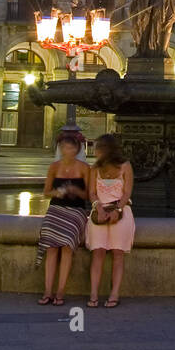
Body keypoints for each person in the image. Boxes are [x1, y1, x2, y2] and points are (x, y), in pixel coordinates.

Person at [36, 128, 90, 305]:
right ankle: (47, 291)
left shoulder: (84, 168)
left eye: (70, 148)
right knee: (51, 248)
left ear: (77, 149)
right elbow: (46, 192)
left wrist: (76, 190)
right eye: (64, 147)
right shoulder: (54, 167)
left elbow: (89, 195)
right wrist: (56, 193)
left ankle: (60, 292)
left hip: (76, 211)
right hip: (56, 209)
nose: (67, 151)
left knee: (67, 246)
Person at [86, 134, 134, 307]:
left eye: (98, 148)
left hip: (120, 211)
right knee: (97, 252)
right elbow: (91, 193)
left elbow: (127, 193)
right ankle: (93, 294)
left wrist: (118, 209)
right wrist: (98, 207)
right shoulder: (94, 168)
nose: (95, 151)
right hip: (99, 212)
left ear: (107, 150)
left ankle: (114, 294)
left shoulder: (125, 166)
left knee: (117, 253)